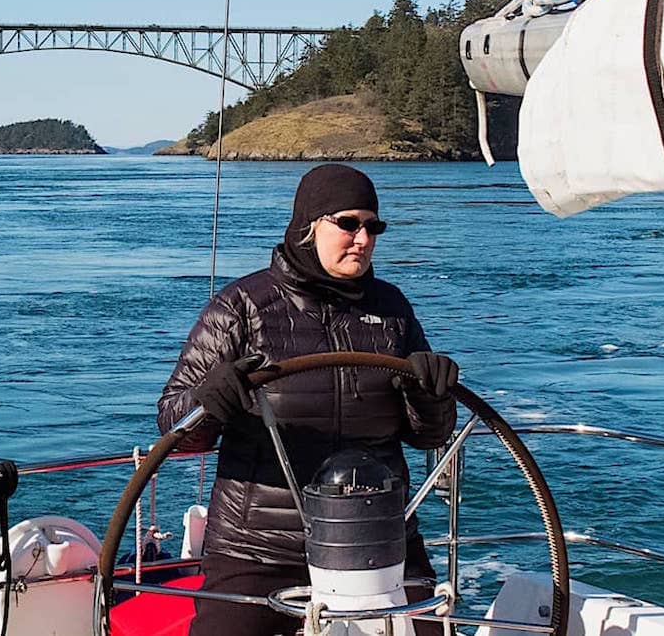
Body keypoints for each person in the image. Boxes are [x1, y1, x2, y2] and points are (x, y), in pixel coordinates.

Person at [158, 164, 458, 636]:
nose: (363, 238)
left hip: (377, 538)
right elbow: (175, 429)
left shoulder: (393, 309)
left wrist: (431, 396)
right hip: (257, 548)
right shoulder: (242, 307)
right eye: (348, 224)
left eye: (372, 226)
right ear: (308, 227)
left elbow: (430, 435)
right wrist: (209, 399)